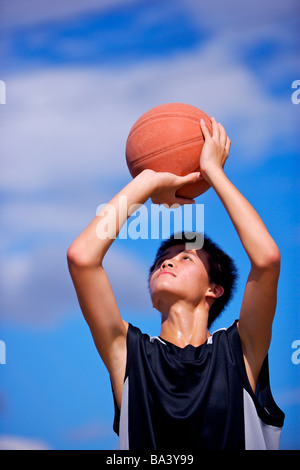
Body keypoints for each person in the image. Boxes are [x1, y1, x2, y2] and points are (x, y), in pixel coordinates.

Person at [67, 118, 284, 450]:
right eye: (160, 260)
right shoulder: (129, 354)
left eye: (186, 257)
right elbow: (82, 257)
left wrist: (213, 173)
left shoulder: (239, 351)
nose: (166, 261)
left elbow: (266, 259)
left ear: (214, 289)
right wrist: (148, 182)